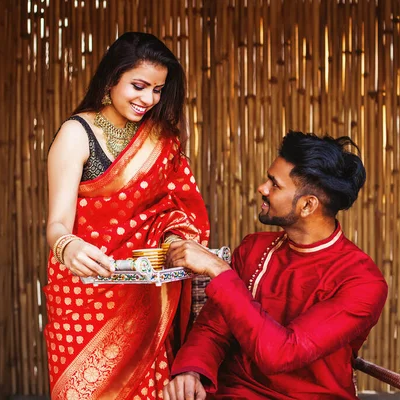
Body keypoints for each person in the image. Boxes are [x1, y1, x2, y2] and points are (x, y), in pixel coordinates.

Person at [44, 32, 209, 400]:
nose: (148, 99)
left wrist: (174, 236)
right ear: (111, 77)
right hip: (82, 292)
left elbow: (179, 208)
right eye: (139, 85)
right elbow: (57, 223)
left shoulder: (162, 141)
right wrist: (67, 245)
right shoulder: (77, 134)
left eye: (157, 90)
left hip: (146, 293)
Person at [163, 131, 388, 399]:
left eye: (274, 184)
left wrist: (220, 271)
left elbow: (281, 354)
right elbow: (214, 327)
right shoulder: (254, 248)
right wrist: (193, 369)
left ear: (307, 205)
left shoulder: (362, 282)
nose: (262, 188)